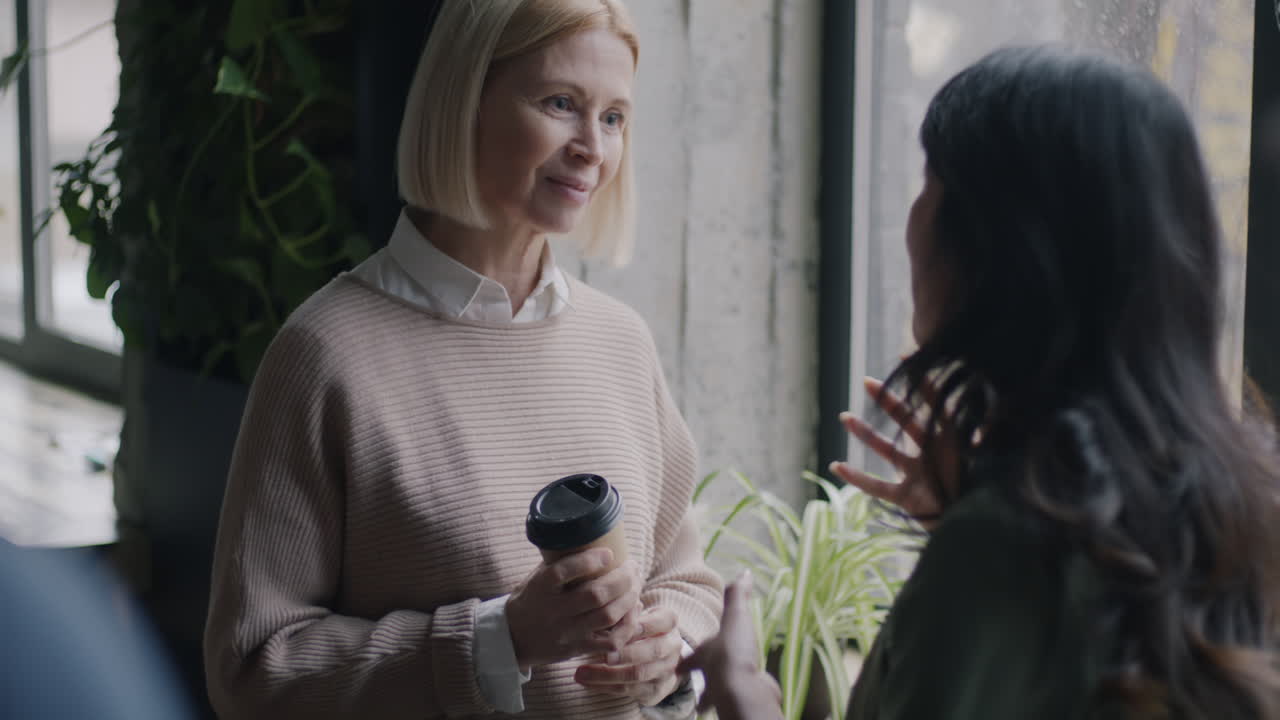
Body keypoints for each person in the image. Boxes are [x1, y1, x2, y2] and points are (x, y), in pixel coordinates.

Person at [680, 46, 1280, 719]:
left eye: (930, 179)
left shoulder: (1008, 550)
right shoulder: (1245, 500)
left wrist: (747, 701)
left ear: (1001, 245)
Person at [203, 2, 722, 718]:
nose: (592, 149)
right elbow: (251, 673)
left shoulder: (620, 341)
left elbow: (688, 583)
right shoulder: (324, 357)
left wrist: (669, 649)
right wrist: (498, 642)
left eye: (614, 117)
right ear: (462, 99)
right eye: (561, 103)